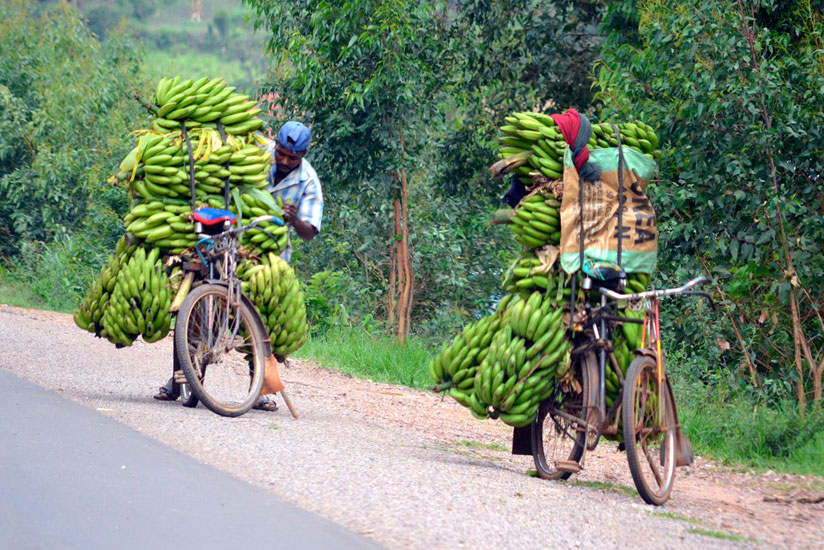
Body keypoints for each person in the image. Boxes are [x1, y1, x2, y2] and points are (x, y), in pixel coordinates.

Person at [153, 121, 324, 409]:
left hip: (268, 253)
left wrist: (294, 219)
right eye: (280, 153)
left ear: (304, 154)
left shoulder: (308, 181)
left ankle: (260, 389)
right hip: (229, 238)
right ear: (276, 145)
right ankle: (179, 380)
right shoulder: (257, 153)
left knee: (264, 314)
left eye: (291, 157)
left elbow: (310, 233)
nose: (283, 161)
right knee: (194, 301)